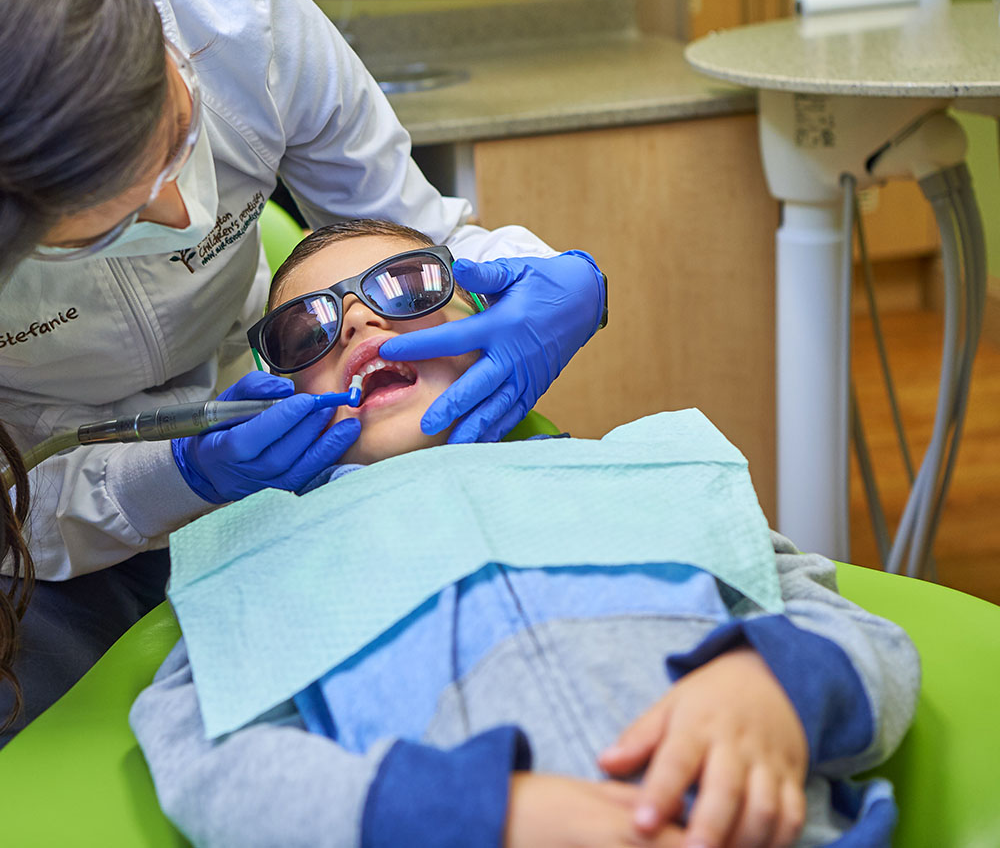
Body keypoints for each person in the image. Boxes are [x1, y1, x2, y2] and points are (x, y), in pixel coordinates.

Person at [0, 0, 605, 840]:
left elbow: (418, 241)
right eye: (107, 224)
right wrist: (179, 476)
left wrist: (543, 274)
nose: (180, 211)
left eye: (176, 132)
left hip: (251, 428)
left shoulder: (236, 19)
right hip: (14, 519)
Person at [131, 221, 918, 848]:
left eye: (406, 288)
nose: (362, 321)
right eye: (308, 330)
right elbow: (210, 759)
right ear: (275, 394)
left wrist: (773, 687)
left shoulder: (634, 472)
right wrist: (474, 814)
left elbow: (855, 630)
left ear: (486, 317)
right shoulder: (264, 561)